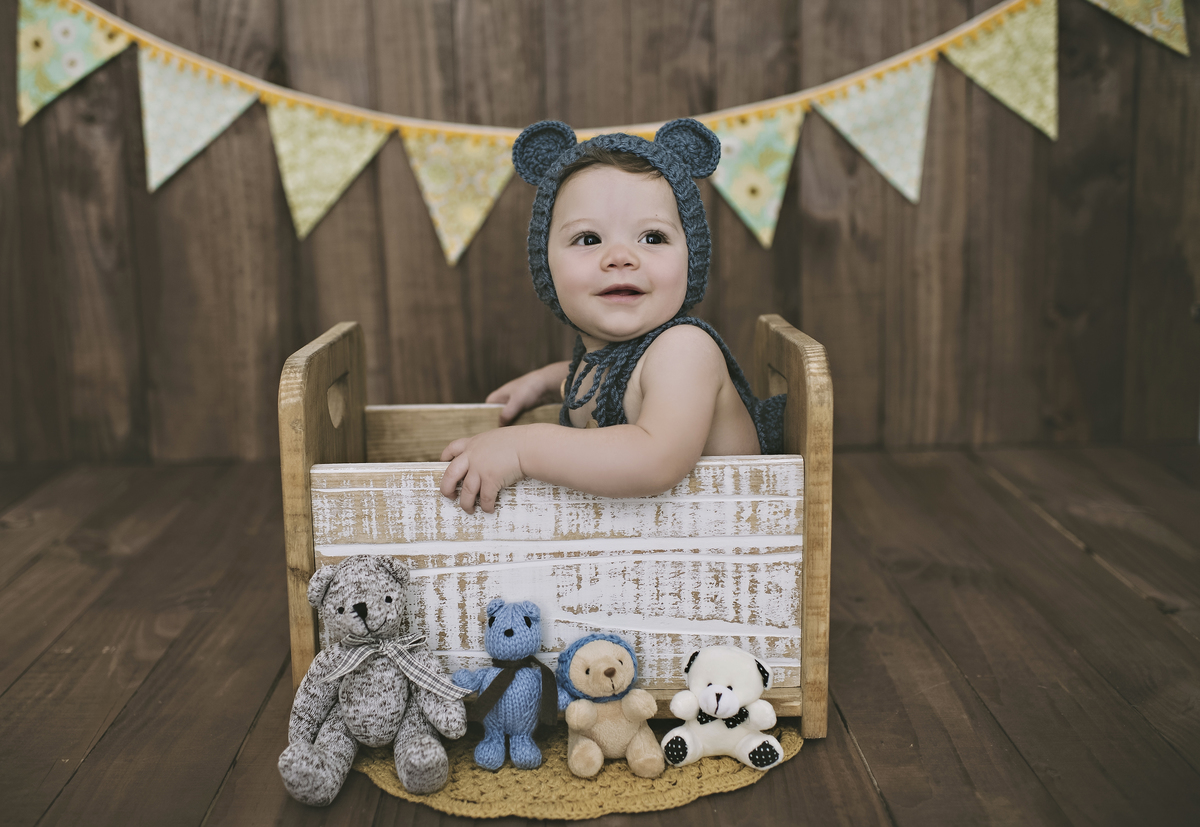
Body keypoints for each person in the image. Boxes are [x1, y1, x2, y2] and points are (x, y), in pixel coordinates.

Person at [439, 118, 785, 514]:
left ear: (691, 257)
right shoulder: (603, 358)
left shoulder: (686, 349)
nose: (621, 257)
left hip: (730, 552)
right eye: (588, 239)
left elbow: (655, 459)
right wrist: (550, 382)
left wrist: (522, 447)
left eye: (652, 238)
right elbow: (619, 384)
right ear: (545, 266)